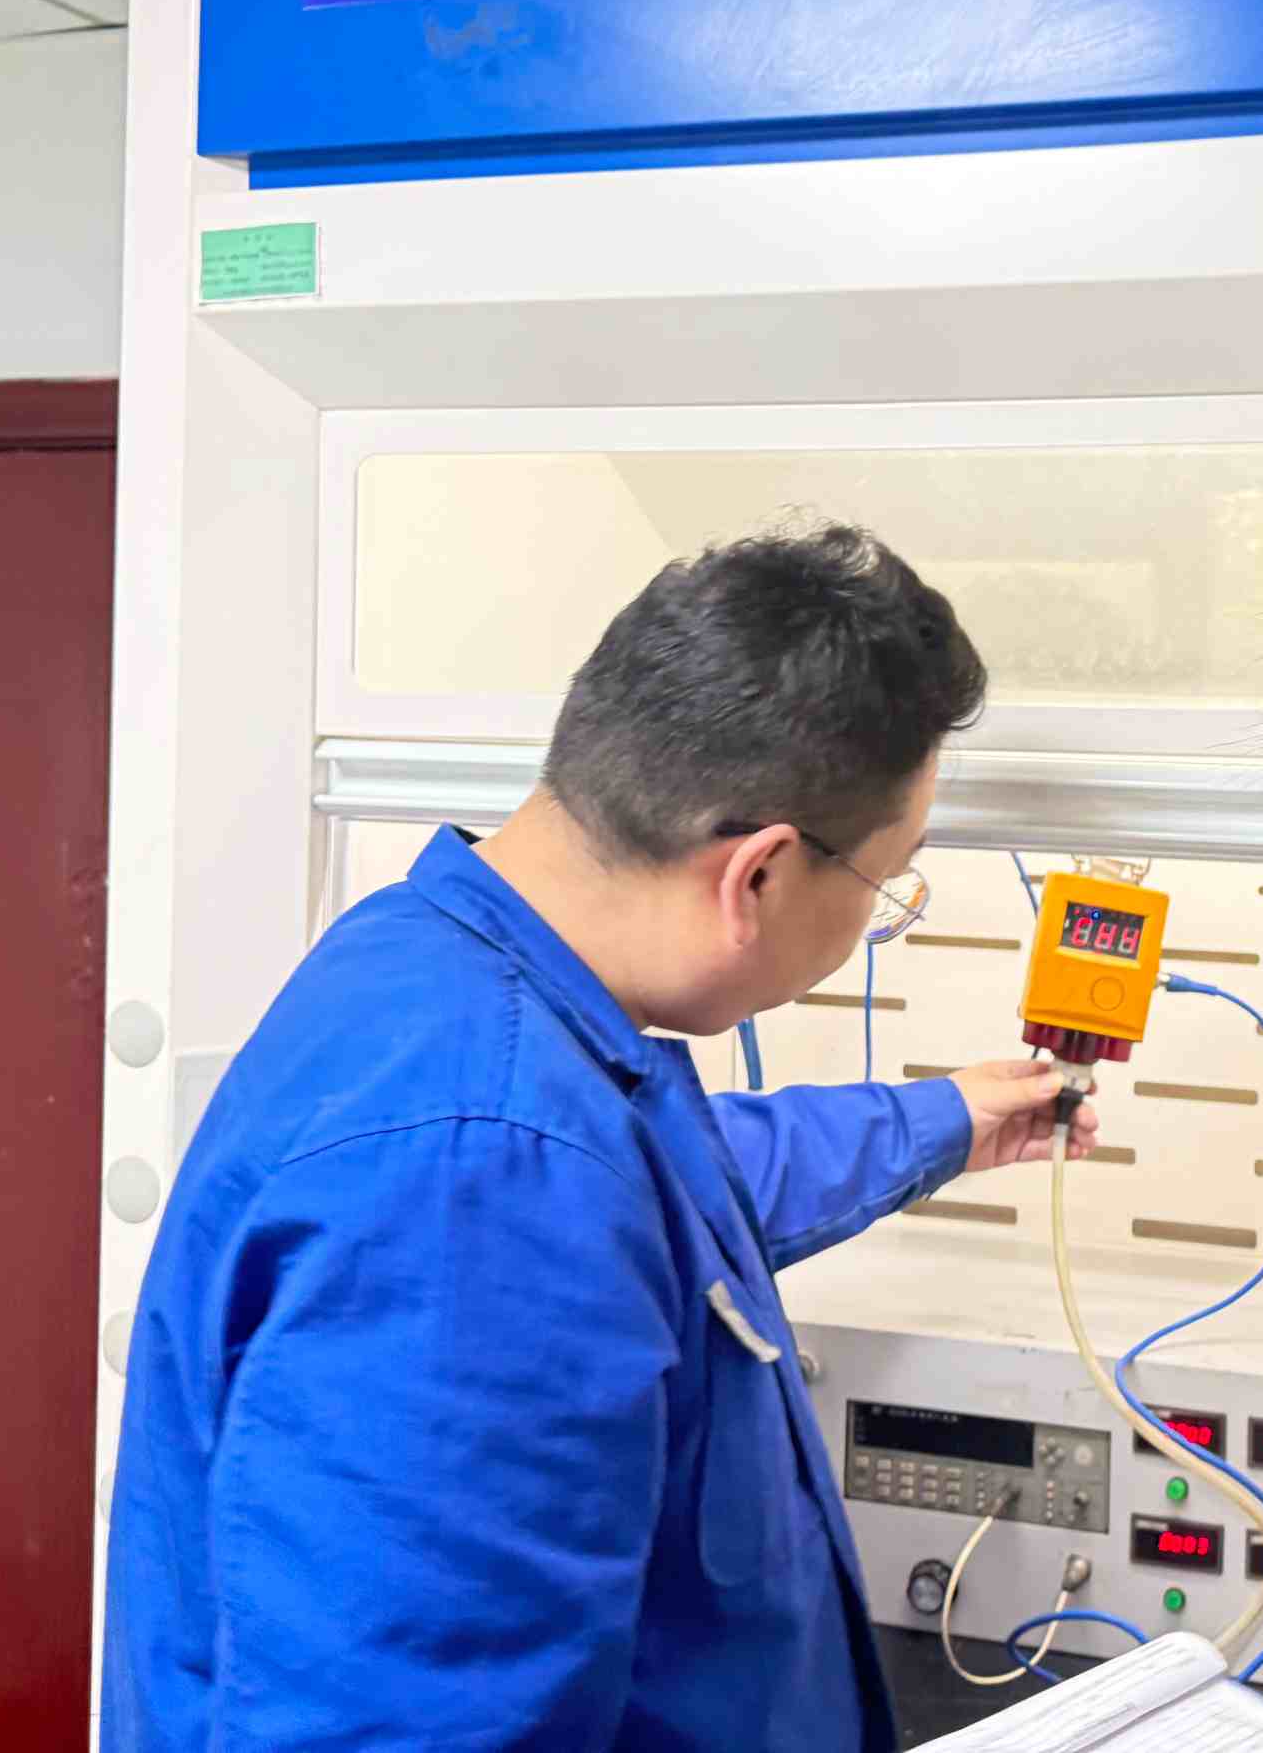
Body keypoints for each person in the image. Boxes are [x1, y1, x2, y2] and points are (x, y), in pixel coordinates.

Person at [103, 524, 1093, 1749]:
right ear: (759, 876)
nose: (870, 925)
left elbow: (666, 1188)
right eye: (888, 887)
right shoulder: (479, 1172)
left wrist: (938, 1121)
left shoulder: (442, 972)